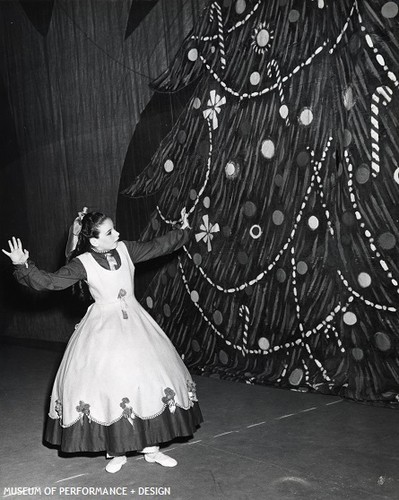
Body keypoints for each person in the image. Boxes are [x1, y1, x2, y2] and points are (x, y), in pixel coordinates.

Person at [2, 209, 202, 474]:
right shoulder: (82, 262)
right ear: (94, 241)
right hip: (103, 327)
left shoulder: (126, 249)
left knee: (150, 379)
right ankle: (116, 450)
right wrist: (23, 266)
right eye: (110, 232)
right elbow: (50, 282)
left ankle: (152, 448)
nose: (117, 234)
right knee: (111, 384)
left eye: (114, 229)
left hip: (136, 323)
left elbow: (159, 246)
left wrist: (184, 231)